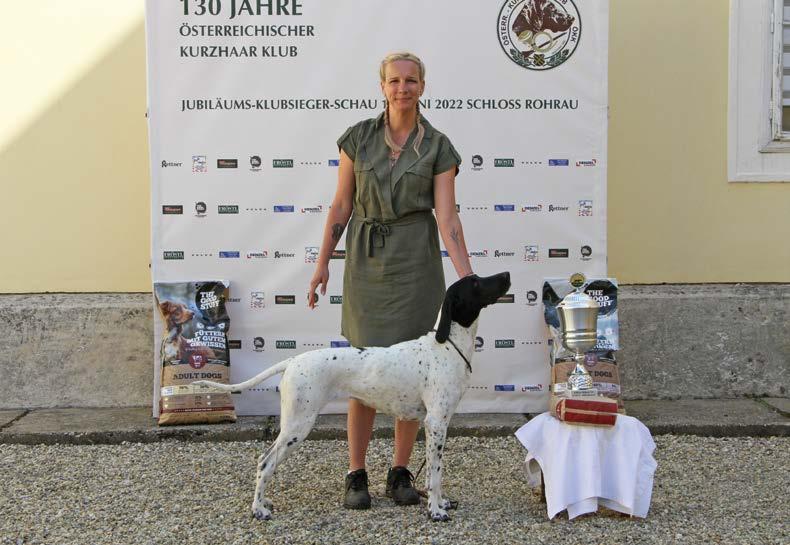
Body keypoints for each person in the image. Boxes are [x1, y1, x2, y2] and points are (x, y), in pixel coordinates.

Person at [307, 51, 474, 510]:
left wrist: (468, 279)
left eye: (411, 80)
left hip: (417, 264)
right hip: (366, 262)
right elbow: (341, 205)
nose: (403, 88)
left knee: (414, 372)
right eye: (395, 80)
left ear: (423, 86)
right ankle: (355, 473)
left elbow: (448, 218)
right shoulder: (358, 138)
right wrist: (322, 263)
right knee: (364, 369)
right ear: (382, 86)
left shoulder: (438, 146)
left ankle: (400, 472)